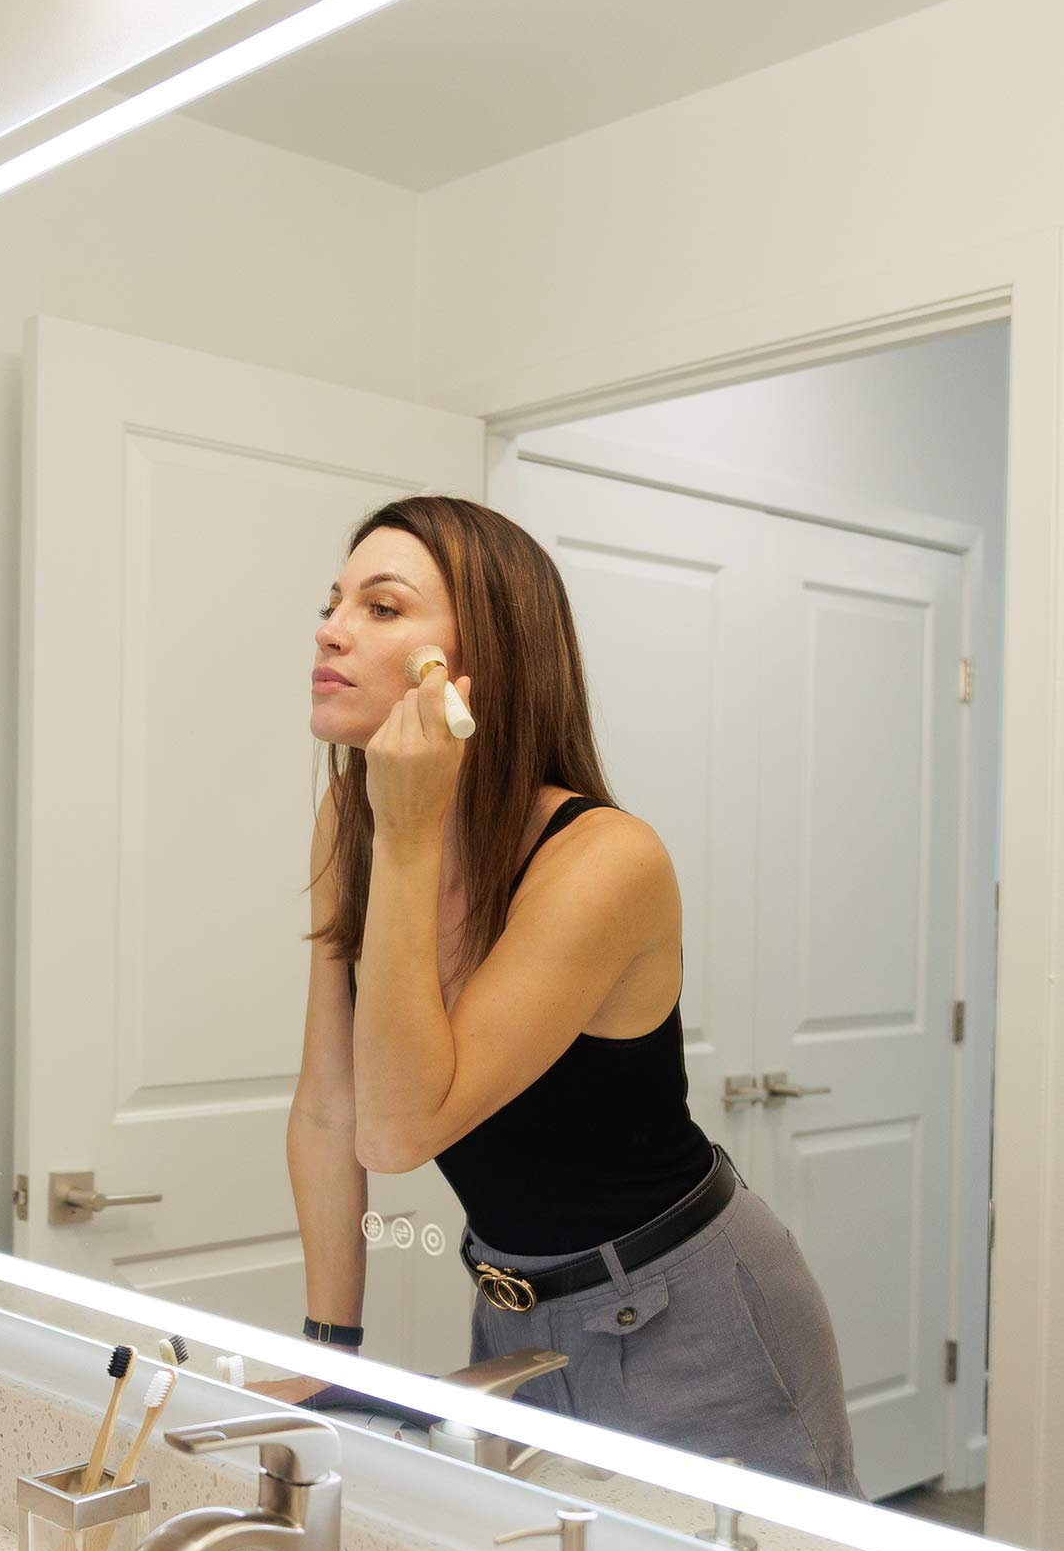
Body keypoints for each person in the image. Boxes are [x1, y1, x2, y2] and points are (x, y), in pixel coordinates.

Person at [286, 492, 858, 1494]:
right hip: (513, 1309)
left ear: (477, 665)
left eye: (380, 608)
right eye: (334, 600)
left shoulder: (604, 860)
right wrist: (328, 1349)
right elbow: (331, 1109)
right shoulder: (353, 817)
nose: (331, 627)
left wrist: (412, 835)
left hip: (689, 1309)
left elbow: (397, 1130)